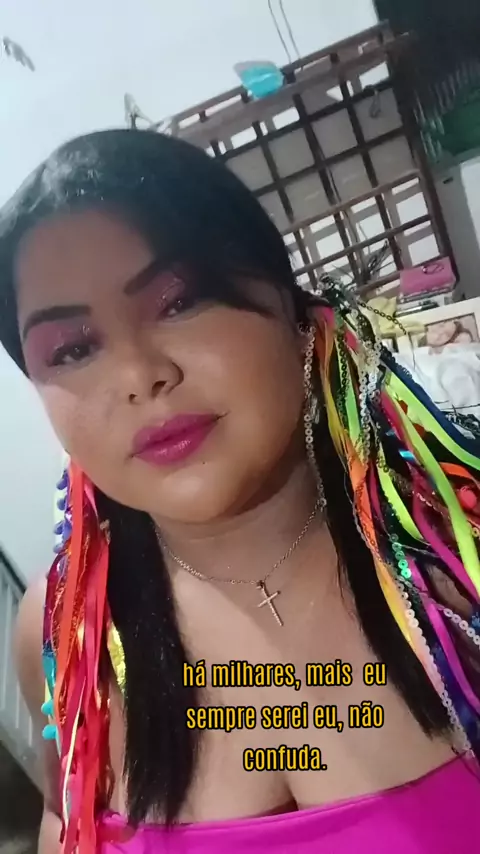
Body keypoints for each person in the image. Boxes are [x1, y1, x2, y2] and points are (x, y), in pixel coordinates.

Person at [1, 130, 480, 854]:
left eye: (180, 301)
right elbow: (61, 818)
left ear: (292, 309)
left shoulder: (457, 558)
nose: (138, 375)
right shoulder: (63, 630)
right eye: (72, 348)